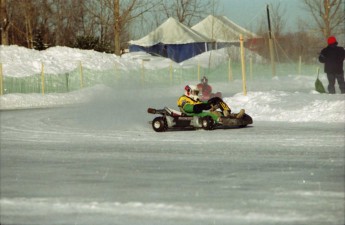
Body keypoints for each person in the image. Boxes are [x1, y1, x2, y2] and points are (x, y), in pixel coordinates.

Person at [177, 85, 244, 123]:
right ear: (188, 92)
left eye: (197, 92)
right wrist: (200, 106)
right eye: (195, 92)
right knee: (208, 114)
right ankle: (222, 120)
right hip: (191, 115)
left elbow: (203, 104)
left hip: (199, 112)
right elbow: (187, 108)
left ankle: (230, 114)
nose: (196, 94)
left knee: (217, 100)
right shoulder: (183, 98)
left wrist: (211, 102)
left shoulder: (195, 100)